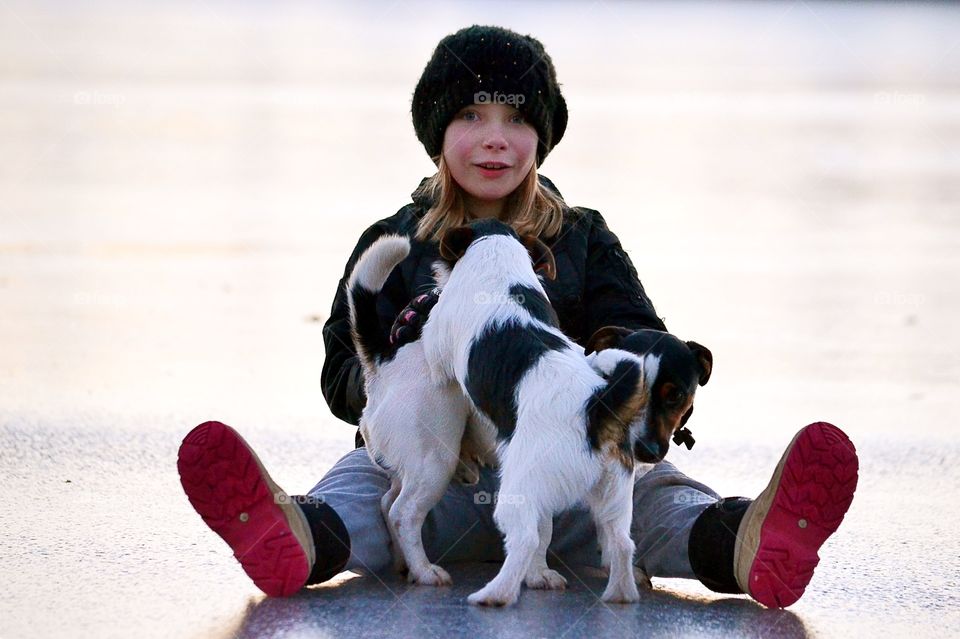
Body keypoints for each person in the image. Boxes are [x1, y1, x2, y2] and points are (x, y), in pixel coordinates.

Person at [177, 25, 859, 608]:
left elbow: (635, 336)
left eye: (516, 120)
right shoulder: (398, 238)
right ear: (437, 132)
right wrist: (403, 368)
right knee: (364, 487)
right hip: (436, 476)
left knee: (651, 496)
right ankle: (293, 534)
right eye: (471, 117)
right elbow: (339, 371)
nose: (494, 140)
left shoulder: (583, 237)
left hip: (561, 482)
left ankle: (745, 540)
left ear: (544, 134)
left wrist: (599, 364)